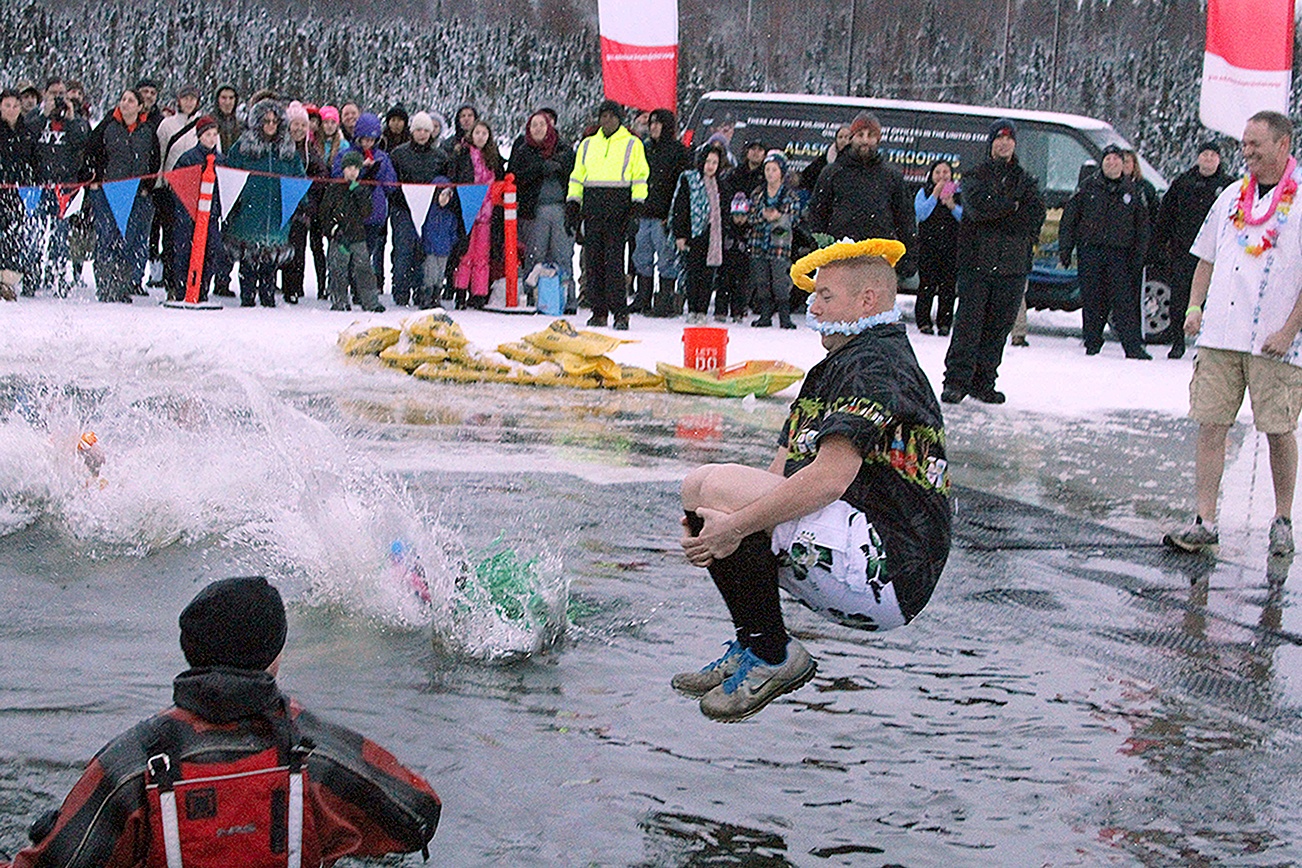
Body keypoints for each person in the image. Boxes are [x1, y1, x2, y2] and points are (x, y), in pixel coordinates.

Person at [676, 238, 950, 721]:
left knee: (717, 494)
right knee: (701, 493)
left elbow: (828, 481)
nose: (813, 305)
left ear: (868, 301)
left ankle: (774, 654)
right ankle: (754, 644)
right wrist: (709, 525)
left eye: (825, 295)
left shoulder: (876, 365)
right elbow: (778, 475)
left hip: (889, 568)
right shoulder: (835, 367)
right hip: (853, 552)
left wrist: (735, 527)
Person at [1, 576, 440, 866]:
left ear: (191, 655)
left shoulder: (132, 763)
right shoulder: (318, 751)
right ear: (275, 655)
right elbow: (419, 816)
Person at [1163, 111, 1302, 559]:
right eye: (1243, 144)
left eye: (1255, 145)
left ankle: (1282, 518)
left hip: (1273, 340)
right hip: (1221, 335)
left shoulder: (1299, 201)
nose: (1246, 152)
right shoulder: (1229, 197)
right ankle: (1205, 519)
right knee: (1211, 424)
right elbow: (1205, 257)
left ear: (1283, 145)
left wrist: (1290, 329)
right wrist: (1194, 306)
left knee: (1278, 430)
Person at [940, 118, 1046, 405]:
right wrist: (1011, 207)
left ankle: (984, 381)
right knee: (968, 325)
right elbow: (976, 209)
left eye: (1009, 139)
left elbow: (1034, 215)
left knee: (998, 327)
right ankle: (956, 381)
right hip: (977, 263)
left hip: (1012, 266)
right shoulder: (976, 175)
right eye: (999, 139)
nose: (1004, 143)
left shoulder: (1025, 180)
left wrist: (1003, 212)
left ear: (1014, 143)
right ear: (991, 143)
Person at [1058, 143, 1151, 359]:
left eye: (1116, 159)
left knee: (1124, 303)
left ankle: (1132, 346)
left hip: (1121, 255)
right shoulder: (1087, 187)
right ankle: (1092, 343)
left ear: (1123, 163)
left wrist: (1139, 256)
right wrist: (1066, 248)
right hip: (1091, 251)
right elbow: (1070, 219)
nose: (1112, 163)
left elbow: (1142, 227)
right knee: (1092, 301)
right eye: (1107, 159)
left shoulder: (1133, 191)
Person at [806, 112, 918, 288]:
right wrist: (820, 247)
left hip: (879, 260)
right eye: (860, 135)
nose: (865, 140)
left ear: (878, 140)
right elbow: (817, 213)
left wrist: (908, 257)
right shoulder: (832, 173)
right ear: (852, 138)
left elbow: (905, 219)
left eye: (871, 135)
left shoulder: (892, 176)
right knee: (842, 312)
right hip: (840, 258)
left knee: (874, 311)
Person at [567, 99, 649, 330]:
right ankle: (598, 311)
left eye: (612, 116)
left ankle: (620, 314)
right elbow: (577, 177)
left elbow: (640, 178)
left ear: (619, 119)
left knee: (614, 265)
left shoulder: (633, 144)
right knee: (592, 264)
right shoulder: (587, 145)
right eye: (603, 116)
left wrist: (636, 209)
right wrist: (573, 204)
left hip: (618, 211)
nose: (607, 120)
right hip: (592, 211)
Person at [223, 99, 305, 307]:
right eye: (266, 121)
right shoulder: (242, 148)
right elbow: (229, 178)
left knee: (270, 260)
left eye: (274, 121)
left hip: (277, 211)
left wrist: (299, 202)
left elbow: (299, 178)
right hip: (248, 211)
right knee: (248, 258)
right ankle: (247, 297)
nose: (270, 125)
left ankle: (268, 297)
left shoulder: (288, 151)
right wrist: (236, 202)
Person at [1153, 141, 1231, 359]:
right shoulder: (1183, 183)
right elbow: (1165, 215)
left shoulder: (1228, 186)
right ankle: (1178, 340)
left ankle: (1205, 343)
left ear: (1219, 160)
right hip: (1183, 251)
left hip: (1216, 254)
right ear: (1198, 158)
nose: (1208, 159)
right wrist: (1159, 245)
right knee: (1180, 298)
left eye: (1212, 156)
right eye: (1204, 155)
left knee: (1212, 299)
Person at [85, 87, 160, 303]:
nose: (126, 103)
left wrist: (148, 185)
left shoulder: (147, 130)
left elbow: (154, 159)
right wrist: (95, 179)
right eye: (123, 99)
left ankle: (122, 286)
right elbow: (92, 153)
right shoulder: (107, 126)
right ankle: (106, 287)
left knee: (128, 241)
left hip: (136, 193)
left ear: (139, 107)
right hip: (107, 191)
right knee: (107, 239)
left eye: (130, 100)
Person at [25, 76, 89, 296]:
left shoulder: (76, 119)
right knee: (34, 234)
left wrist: (71, 119)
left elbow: (82, 142)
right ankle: (31, 279)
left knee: (60, 237)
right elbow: (26, 139)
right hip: (38, 186)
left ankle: (57, 278)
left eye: (61, 93)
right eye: (53, 93)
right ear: (45, 94)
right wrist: (44, 115)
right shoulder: (35, 117)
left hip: (64, 187)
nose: (58, 98)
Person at [508, 109, 576, 311]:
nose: (538, 129)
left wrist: (559, 167)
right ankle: (533, 296)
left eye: (542, 124)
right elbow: (515, 177)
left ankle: (567, 298)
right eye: (533, 125)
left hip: (561, 210)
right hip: (534, 211)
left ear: (550, 126)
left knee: (562, 256)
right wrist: (539, 169)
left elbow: (574, 174)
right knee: (534, 255)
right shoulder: (523, 151)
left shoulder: (564, 149)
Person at [631, 108, 690, 317]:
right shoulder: (644, 149)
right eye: (652, 123)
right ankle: (643, 297)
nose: (654, 127)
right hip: (644, 213)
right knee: (641, 257)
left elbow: (682, 187)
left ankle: (665, 299)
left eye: (658, 123)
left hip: (664, 216)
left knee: (666, 259)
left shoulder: (678, 151)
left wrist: (674, 215)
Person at [332, 111, 396, 295]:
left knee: (366, 255)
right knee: (349, 253)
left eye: (371, 139)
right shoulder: (347, 155)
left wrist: (378, 172)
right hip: (352, 214)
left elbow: (391, 185)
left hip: (374, 213)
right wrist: (361, 172)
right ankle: (346, 287)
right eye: (364, 139)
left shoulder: (383, 158)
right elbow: (337, 176)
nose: (367, 143)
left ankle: (361, 290)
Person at [390, 110, 449, 307]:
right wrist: (405, 198)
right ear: (412, 132)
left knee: (424, 254)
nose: (422, 134)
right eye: (418, 130)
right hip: (403, 210)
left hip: (430, 212)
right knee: (403, 252)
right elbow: (392, 183)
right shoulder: (399, 154)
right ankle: (400, 292)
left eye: (426, 130)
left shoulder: (440, 156)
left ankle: (421, 292)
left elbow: (444, 183)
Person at [170, 116, 229, 302]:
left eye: (214, 134)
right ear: (199, 136)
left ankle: (203, 289)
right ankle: (183, 290)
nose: (211, 138)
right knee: (185, 253)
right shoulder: (188, 158)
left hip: (211, 216)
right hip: (188, 216)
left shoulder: (221, 160)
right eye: (207, 134)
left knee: (211, 251)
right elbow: (178, 186)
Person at [320, 149, 385, 312]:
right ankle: (339, 300)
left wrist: (358, 192)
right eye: (348, 168)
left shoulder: (362, 189)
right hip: (339, 238)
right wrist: (333, 230)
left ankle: (370, 302)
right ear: (343, 169)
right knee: (337, 269)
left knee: (364, 270)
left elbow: (367, 212)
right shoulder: (334, 189)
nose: (352, 172)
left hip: (358, 237)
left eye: (355, 168)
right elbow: (324, 214)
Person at [153, 85, 202, 300]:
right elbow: (160, 155)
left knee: (195, 239)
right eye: (185, 98)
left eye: (193, 98)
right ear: (178, 100)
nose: (189, 102)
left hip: (198, 191)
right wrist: (159, 183)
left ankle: (193, 282)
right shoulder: (167, 125)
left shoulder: (203, 124)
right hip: (171, 188)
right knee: (171, 239)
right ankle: (172, 282)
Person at [671, 142, 727, 324]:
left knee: (707, 276)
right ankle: (693, 308)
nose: (711, 166)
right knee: (693, 274)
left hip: (713, 237)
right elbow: (680, 208)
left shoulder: (720, 184)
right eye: (708, 161)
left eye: (715, 162)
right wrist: (680, 234)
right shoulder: (689, 180)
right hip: (693, 234)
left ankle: (702, 310)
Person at [451, 119, 504, 308]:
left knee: (482, 256)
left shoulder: (493, 157)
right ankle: (460, 291)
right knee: (465, 254)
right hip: (467, 208)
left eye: (484, 133)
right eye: (477, 133)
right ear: (471, 135)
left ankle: (479, 293)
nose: (481, 137)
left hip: (487, 213)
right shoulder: (463, 154)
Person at [747, 149, 804, 328]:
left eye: (774, 170)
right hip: (758, 243)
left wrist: (779, 216)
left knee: (780, 280)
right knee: (762, 280)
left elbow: (794, 218)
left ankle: (784, 317)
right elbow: (749, 216)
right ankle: (765, 315)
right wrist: (763, 216)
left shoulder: (790, 195)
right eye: (767, 170)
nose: (770, 174)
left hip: (780, 244)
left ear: (782, 172)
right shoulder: (758, 194)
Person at [280, 100, 328, 304]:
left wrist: (307, 192)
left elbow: (322, 175)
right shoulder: (280, 147)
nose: (298, 129)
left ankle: (295, 288)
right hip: (281, 206)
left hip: (301, 208)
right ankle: (278, 285)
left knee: (298, 250)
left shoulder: (310, 150)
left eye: (302, 125)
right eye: (295, 124)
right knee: (280, 247)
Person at [913, 159, 963, 336]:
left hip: (951, 247)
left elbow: (966, 219)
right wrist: (934, 196)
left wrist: (952, 206)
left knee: (948, 287)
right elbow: (921, 214)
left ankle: (944, 322)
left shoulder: (958, 193)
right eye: (938, 173)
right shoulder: (924, 192)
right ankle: (923, 321)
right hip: (928, 246)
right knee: (927, 285)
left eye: (946, 172)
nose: (942, 176)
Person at [0, 87, 32, 300]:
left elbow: (32, 160)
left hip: (18, 192)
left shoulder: (26, 131)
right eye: (7, 105)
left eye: (15, 106)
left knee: (14, 236)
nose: (11, 110)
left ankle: (7, 282)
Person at [800, 124, 852, 195]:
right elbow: (807, 178)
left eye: (847, 137)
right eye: (840, 137)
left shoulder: (859, 160)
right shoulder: (826, 159)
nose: (843, 140)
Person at [213, 84, 241, 153]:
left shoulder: (241, 125)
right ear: (217, 100)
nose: (227, 102)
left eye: (231, 98)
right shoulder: (209, 123)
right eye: (224, 98)